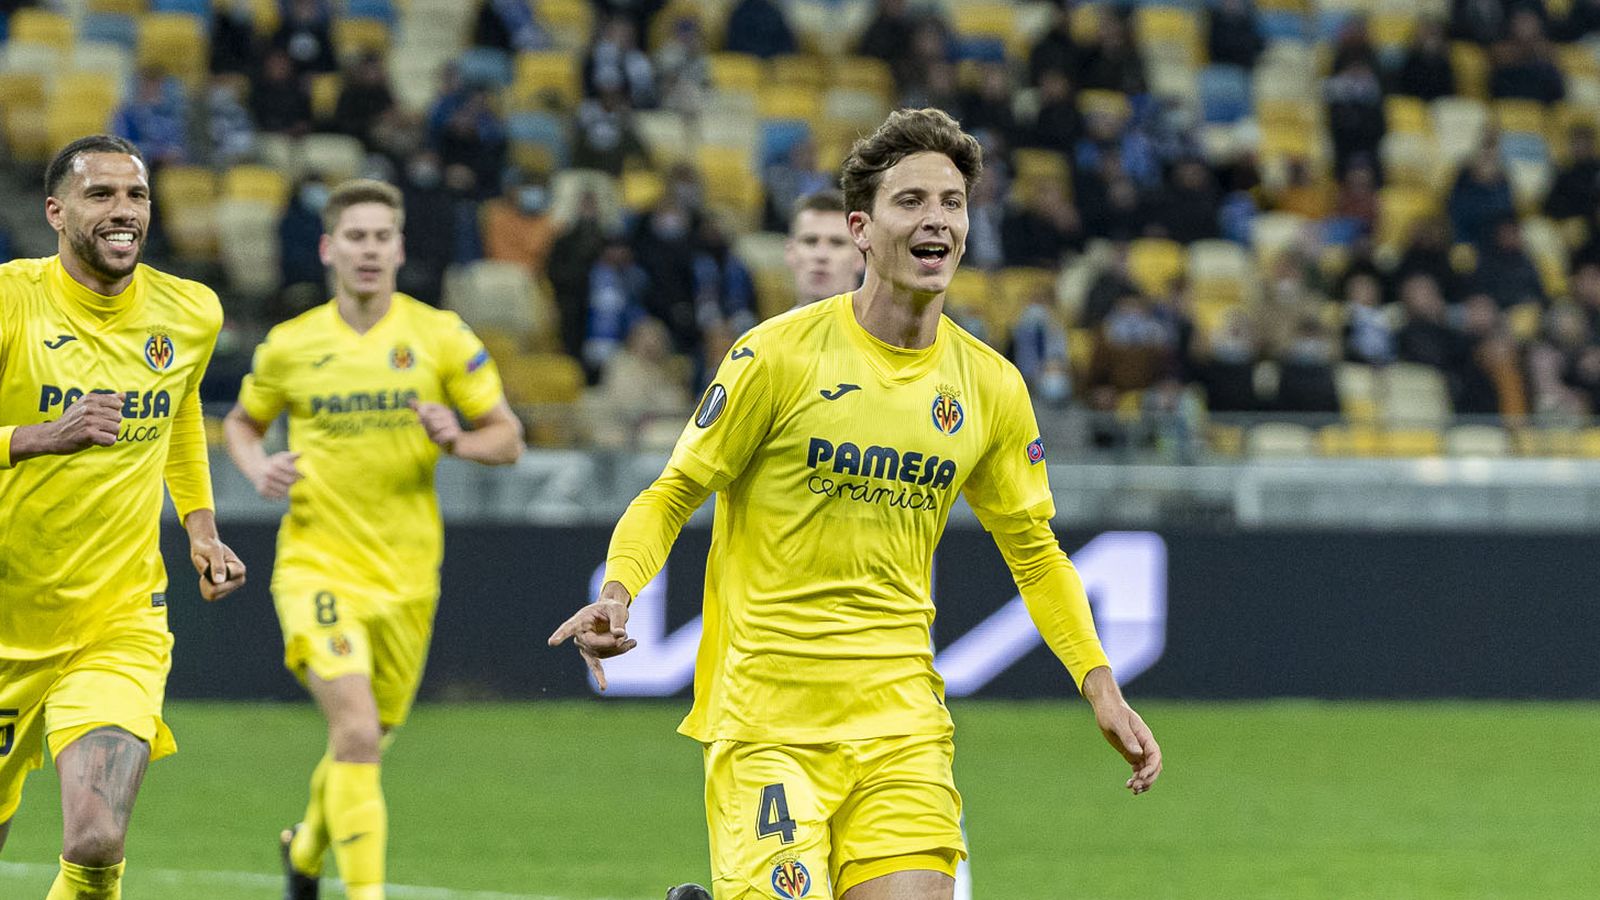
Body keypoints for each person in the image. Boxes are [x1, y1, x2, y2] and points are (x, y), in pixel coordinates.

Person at [550, 108, 1161, 900]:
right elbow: (673, 493)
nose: (936, 218)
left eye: (952, 202)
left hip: (902, 724)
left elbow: (1036, 553)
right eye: (912, 201)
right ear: (861, 231)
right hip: (768, 721)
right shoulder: (776, 356)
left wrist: (1100, 684)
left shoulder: (991, 387)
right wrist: (617, 591)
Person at [222, 179, 524, 900]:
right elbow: (241, 422)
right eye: (353, 236)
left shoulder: (441, 336)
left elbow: (508, 437)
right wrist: (258, 466)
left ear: (399, 247)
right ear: (329, 248)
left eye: (380, 236)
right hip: (317, 565)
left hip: (409, 575)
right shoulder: (292, 345)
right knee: (356, 732)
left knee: (363, 743)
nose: (368, 249)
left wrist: (459, 439)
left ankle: (306, 849)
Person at [0, 134, 247, 897]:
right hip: (7, 617)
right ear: (56, 211)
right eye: (101, 195)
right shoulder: (11, 301)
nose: (123, 212)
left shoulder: (190, 312)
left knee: (98, 839)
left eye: (135, 196)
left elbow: (178, 415)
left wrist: (200, 527)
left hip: (118, 620)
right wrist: (39, 437)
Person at [783, 189, 864, 307]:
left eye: (837, 243)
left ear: (861, 257)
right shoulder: (771, 326)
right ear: (790, 252)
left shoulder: (889, 325)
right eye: (810, 241)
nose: (821, 255)